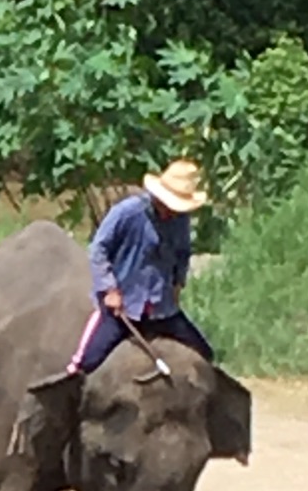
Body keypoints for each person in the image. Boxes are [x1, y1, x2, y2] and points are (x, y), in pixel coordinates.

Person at [67, 158, 215, 375]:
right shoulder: (127, 212)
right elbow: (99, 249)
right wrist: (110, 289)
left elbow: (183, 253)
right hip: (124, 305)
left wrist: (177, 284)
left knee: (204, 353)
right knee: (87, 362)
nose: (172, 211)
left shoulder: (181, 220)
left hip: (161, 308)